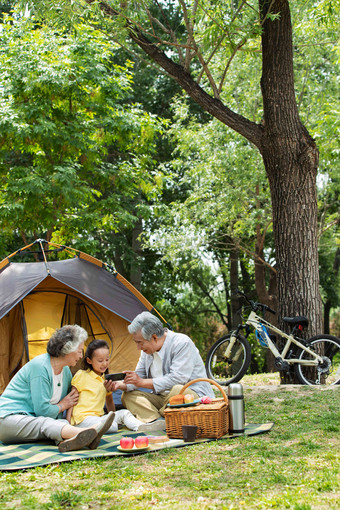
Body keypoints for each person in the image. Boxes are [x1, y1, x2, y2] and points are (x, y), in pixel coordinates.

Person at [0, 325, 114, 452]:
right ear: (67, 349)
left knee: (60, 424)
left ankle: (72, 441)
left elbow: (58, 413)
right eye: (79, 350)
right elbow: (43, 411)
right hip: (9, 419)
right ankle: (88, 432)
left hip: (35, 421)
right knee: (45, 423)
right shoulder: (40, 367)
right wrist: (63, 405)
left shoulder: (65, 371)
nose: (81, 356)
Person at [107, 312, 215, 425]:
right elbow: (139, 376)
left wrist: (141, 382)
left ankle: (157, 416)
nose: (138, 347)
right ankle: (158, 421)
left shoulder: (182, 343)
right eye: (136, 343)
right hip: (164, 399)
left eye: (140, 343)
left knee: (178, 390)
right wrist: (121, 385)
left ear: (154, 337)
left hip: (191, 395)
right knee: (128, 396)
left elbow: (178, 379)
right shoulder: (147, 351)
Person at [67, 339, 165, 433]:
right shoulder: (82, 375)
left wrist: (113, 417)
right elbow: (71, 400)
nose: (104, 364)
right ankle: (82, 431)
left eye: (107, 359)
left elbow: (109, 401)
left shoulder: (105, 379)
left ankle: (141, 427)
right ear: (89, 360)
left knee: (124, 413)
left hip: (99, 418)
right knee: (112, 426)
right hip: (82, 420)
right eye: (100, 361)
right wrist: (68, 425)